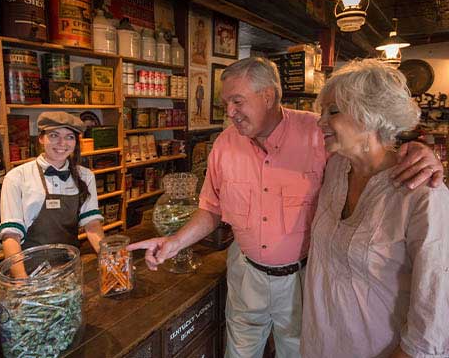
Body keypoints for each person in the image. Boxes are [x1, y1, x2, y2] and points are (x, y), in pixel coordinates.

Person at [128, 57, 443, 358]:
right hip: (245, 272)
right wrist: (174, 242)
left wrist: (416, 151)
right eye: (226, 104)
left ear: (267, 96)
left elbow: (372, 150)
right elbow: (211, 207)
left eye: (237, 101)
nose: (230, 112)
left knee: (294, 350)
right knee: (238, 351)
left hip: (303, 280)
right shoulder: (225, 143)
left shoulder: (318, 135)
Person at [301, 59, 449, 358]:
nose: (320, 122)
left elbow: (434, 313)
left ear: (369, 115)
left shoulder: (424, 194)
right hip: (320, 344)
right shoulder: (336, 169)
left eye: (332, 111)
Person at [0, 112, 105, 275]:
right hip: (29, 271)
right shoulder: (17, 177)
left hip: (69, 268)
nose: (62, 143)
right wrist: (21, 280)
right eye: (54, 135)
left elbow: (92, 225)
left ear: (76, 142)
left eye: (69, 137)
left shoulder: (85, 176)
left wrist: (109, 259)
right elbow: (11, 235)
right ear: (41, 138)